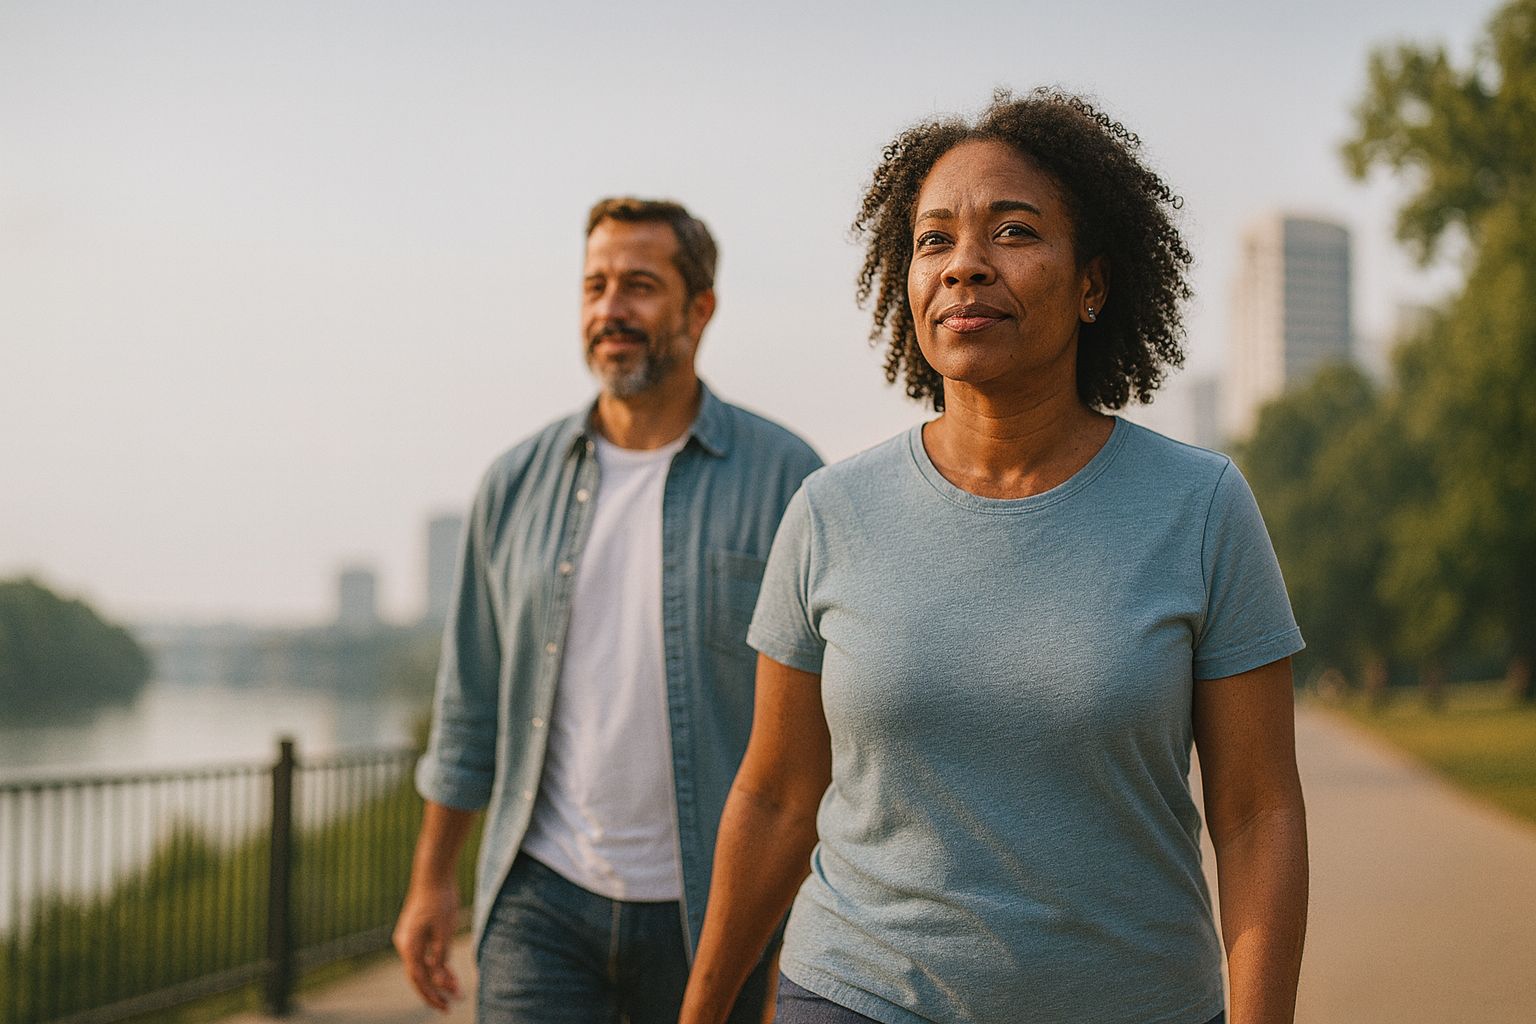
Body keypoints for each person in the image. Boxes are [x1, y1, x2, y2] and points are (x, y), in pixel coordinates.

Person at [679, 91, 1308, 1024]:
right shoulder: (829, 512)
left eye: (1013, 232)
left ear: (1092, 285)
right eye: (933, 241)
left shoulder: (1201, 506)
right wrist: (700, 1010)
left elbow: (1258, 815)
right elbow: (774, 798)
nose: (964, 264)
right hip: (859, 993)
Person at [394, 197, 822, 1023]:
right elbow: (469, 700)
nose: (610, 308)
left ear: (700, 309)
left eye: (640, 286)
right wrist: (431, 880)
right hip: (541, 900)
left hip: (718, 910)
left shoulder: (788, 481)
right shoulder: (515, 483)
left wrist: (796, 937)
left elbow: (820, 745)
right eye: (595, 286)